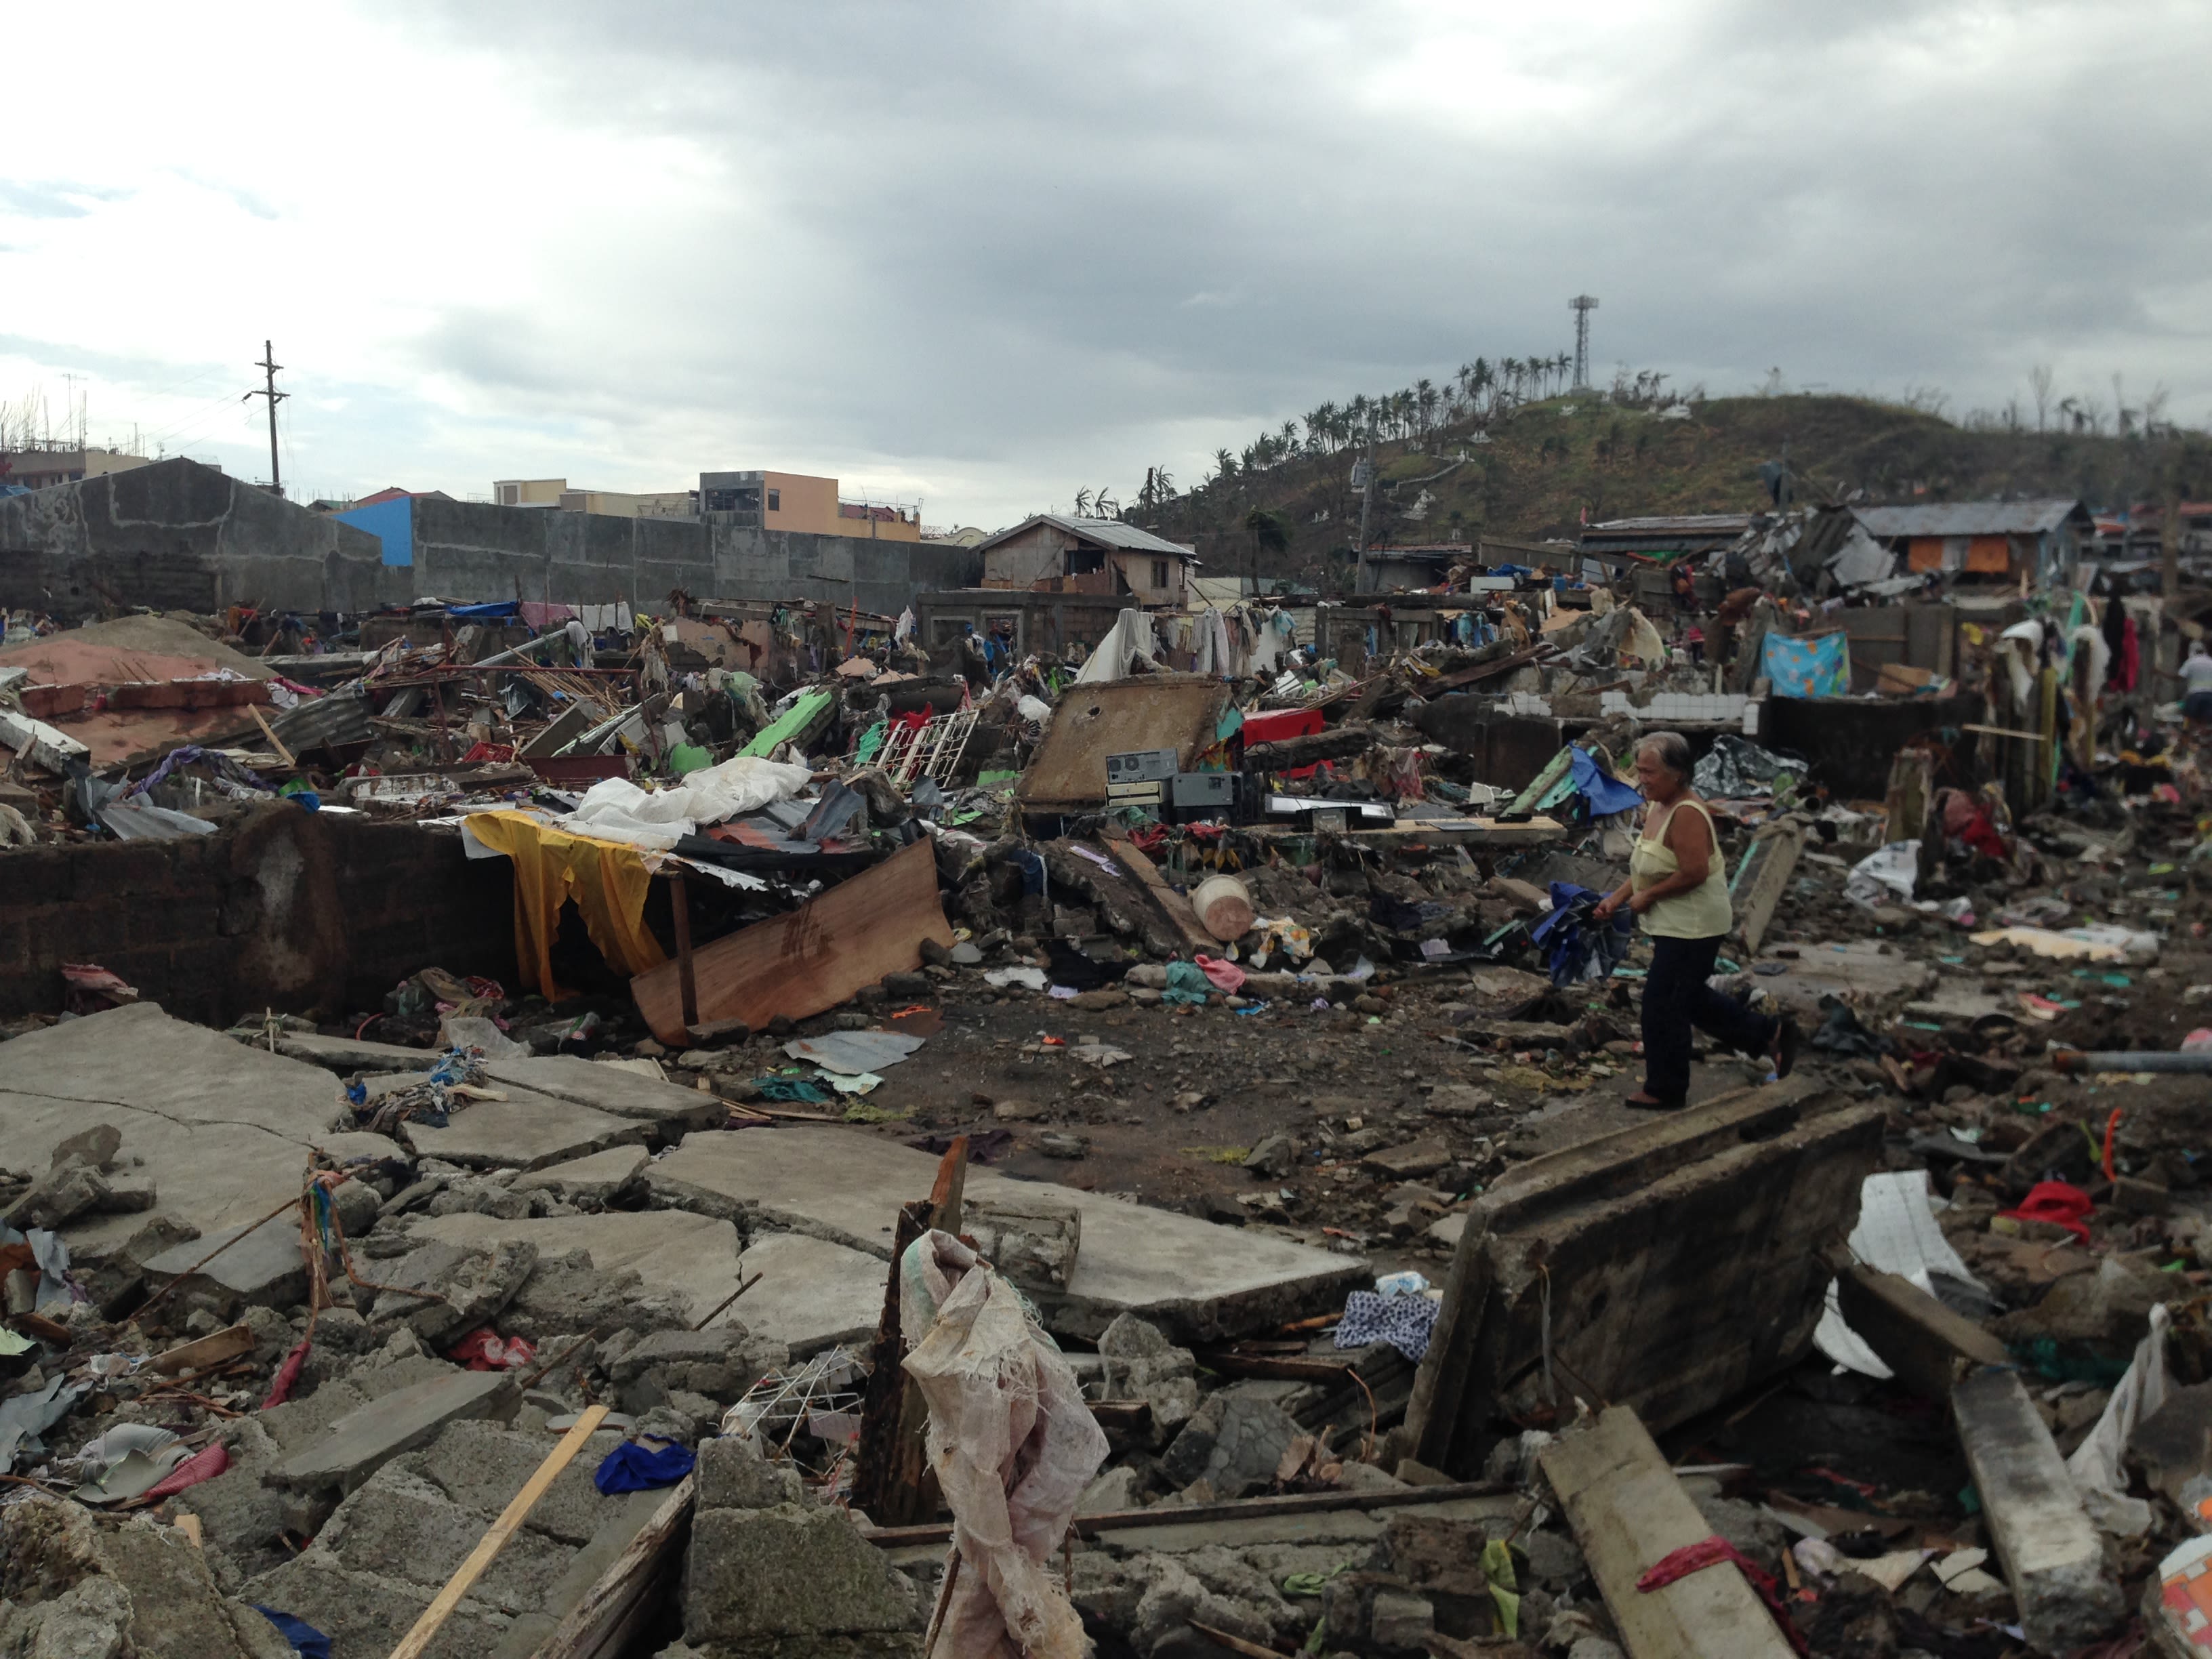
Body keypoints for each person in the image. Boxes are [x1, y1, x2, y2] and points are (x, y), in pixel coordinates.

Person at [1593, 732, 1799, 1109]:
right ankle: (1770, 1034)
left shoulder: (1687, 812)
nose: (1643, 780)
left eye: (1650, 772)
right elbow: (1649, 868)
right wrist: (1617, 899)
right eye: (1639, 771)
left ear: (1678, 773)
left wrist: (1649, 897)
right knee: (1687, 997)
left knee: (1662, 1003)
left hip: (1695, 926)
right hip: (1674, 923)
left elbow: (1694, 872)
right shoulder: (1658, 806)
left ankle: (1665, 1089)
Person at [2182, 640, 2212, 729]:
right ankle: (2204, 737)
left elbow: (2180, 677)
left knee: (2188, 718)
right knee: (2206, 721)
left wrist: (2161, 673)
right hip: (2210, 695)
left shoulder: (2191, 662)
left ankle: (2186, 734)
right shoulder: (2211, 661)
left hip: (2195, 695)